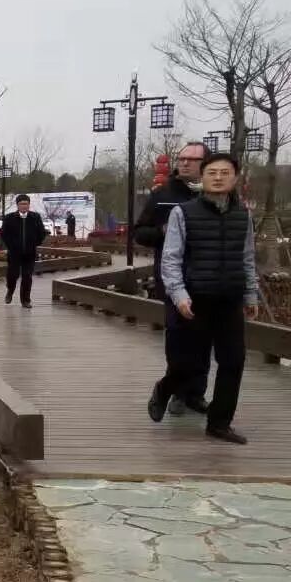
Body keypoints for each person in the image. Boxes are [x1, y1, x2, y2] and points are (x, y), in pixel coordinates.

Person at [148, 152, 260, 445]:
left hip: (230, 299)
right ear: (203, 177)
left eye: (225, 173)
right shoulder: (183, 213)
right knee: (189, 363)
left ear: (235, 177)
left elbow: (247, 258)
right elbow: (171, 259)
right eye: (212, 173)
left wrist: (250, 294)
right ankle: (165, 388)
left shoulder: (243, 215)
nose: (218, 178)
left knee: (233, 361)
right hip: (195, 299)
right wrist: (179, 295)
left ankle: (219, 423)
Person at [133, 141, 210, 416]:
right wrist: (164, 231)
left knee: (203, 337)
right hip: (172, 277)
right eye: (182, 158)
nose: (185, 163)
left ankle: (196, 394)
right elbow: (139, 233)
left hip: (208, 277)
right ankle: (176, 390)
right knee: (178, 337)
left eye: (192, 159)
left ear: (205, 164)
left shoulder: (215, 195)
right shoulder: (162, 195)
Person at [0, 194, 48, 308]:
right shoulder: (9, 218)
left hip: (29, 253)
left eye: (26, 204)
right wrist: (11, 246)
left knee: (27, 277)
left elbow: (41, 233)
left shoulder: (35, 217)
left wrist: (35, 243)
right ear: (17, 205)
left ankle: (25, 300)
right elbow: (4, 234)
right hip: (14, 253)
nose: (24, 206)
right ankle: (10, 290)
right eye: (21, 204)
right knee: (13, 275)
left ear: (29, 205)